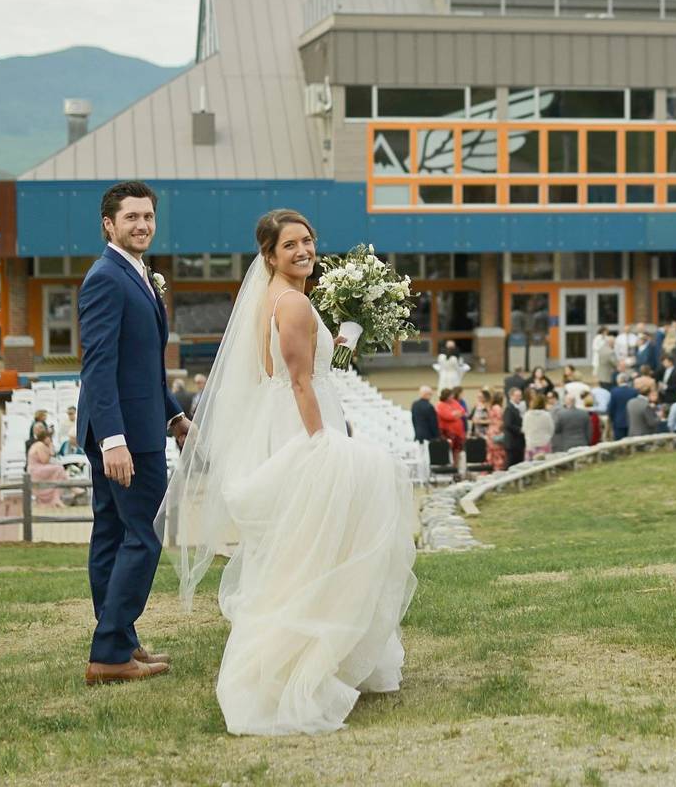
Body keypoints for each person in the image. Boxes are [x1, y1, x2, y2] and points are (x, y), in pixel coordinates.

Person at [158, 207, 416, 735]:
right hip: (304, 427)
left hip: (286, 422)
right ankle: (300, 663)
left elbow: (313, 368)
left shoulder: (274, 299)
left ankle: (315, 656)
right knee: (320, 548)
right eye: (290, 244)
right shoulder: (294, 302)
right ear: (270, 255)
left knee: (300, 551)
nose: (303, 250)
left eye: (308, 240)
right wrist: (322, 446)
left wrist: (346, 334)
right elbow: (301, 382)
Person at [77, 181, 190, 685]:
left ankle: (120, 643)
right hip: (124, 437)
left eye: (148, 216)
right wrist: (113, 440)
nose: (142, 224)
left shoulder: (135, 273)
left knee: (112, 536)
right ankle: (109, 652)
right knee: (144, 536)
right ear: (109, 224)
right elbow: (99, 367)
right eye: (131, 217)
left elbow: (142, 367)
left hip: (140, 425)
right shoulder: (106, 277)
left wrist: (174, 417)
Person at [28, 437, 69, 507]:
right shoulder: (40, 445)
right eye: (48, 438)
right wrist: (50, 450)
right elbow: (45, 460)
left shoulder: (40, 445)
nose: (49, 440)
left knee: (59, 471)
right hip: (36, 470)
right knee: (59, 469)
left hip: (37, 469)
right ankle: (56, 498)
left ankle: (56, 498)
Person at [435, 387, 466, 458]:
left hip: (458, 433)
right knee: (449, 450)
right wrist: (456, 414)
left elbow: (462, 411)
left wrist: (455, 413)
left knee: (458, 450)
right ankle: (450, 466)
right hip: (448, 432)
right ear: (446, 396)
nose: (452, 397)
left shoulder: (454, 402)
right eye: (450, 395)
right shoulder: (440, 405)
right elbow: (448, 416)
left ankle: (456, 467)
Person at [523, 391, 555, 458]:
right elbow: (551, 429)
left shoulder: (527, 415)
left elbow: (524, 429)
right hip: (544, 443)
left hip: (531, 444)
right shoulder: (547, 415)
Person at [609, 373, 639, 439]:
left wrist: (612, 419)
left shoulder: (614, 392)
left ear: (618, 381)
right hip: (631, 421)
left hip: (618, 421)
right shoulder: (634, 391)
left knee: (619, 444)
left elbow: (611, 408)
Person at [502, 387, 527, 466]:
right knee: (511, 463)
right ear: (511, 396)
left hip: (518, 442)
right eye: (517, 396)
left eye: (520, 396)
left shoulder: (518, 408)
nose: (519, 398)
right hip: (512, 442)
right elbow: (508, 424)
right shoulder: (509, 409)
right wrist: (520, 430)